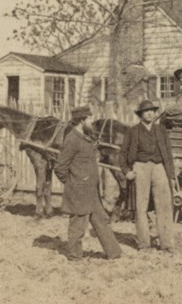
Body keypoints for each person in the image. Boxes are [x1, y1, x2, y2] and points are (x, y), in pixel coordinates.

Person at [54, 106, 122, 261]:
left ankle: (114, 253)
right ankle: (75, 256)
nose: (92, 121)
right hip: (79, 190)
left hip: (91, 190)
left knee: (101, 220)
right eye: (89, 118)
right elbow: (60, 167)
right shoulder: (72, 139)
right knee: (78, 223)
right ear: (81, 120)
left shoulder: (85, 137)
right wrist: (73, 183)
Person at [120, 100, 175, 252]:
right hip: (140, 168)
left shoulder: (161, 131)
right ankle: (144, 244)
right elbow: (122, 154)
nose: (150, 113)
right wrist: (127, 171)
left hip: (159, 168)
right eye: (146, 111)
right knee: (140, 207)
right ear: (141, 115)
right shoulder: (133, 131)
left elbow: (169, 154)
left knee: (164, 206)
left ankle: (167, 243)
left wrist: (171, 175)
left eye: (152, 111)